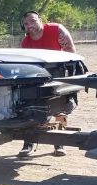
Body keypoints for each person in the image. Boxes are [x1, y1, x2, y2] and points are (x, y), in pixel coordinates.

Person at [18, 11, 77, 157]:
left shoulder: (56, 30)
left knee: (60, 107)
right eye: (26, 24)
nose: (30, 25)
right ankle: (28, 143)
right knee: (32, 107)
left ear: (40, 20)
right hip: (38, 76)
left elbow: (71, 52)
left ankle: (59, 143)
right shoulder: (26, 42)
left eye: (32, 21)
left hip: (59, 71)